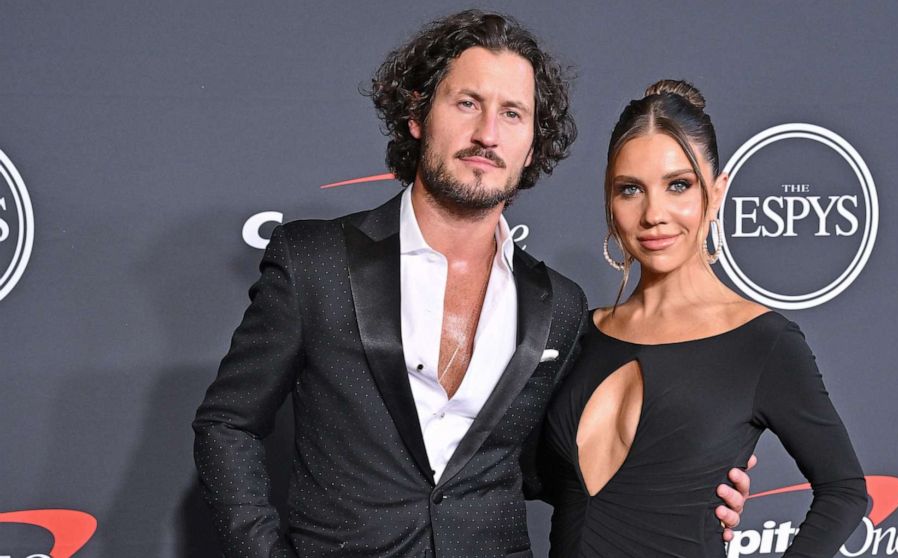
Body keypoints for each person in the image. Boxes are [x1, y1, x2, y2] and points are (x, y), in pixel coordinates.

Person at [193, 12, 750, 558]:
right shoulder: (315, 261)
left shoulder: (558, 304)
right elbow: (228, 424)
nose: (488, 134)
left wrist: (693, 486)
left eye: (513, 114)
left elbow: (555, 468)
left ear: (532, 146)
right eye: (467, 103)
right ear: (417, 114)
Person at [540, 79, 868, 557]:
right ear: (610, 203)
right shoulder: (579, 333)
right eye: (630, 189)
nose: (654, 213)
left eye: (678, 185)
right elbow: (543, 483)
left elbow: (845, 491)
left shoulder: (762, 343)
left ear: (716, 193)